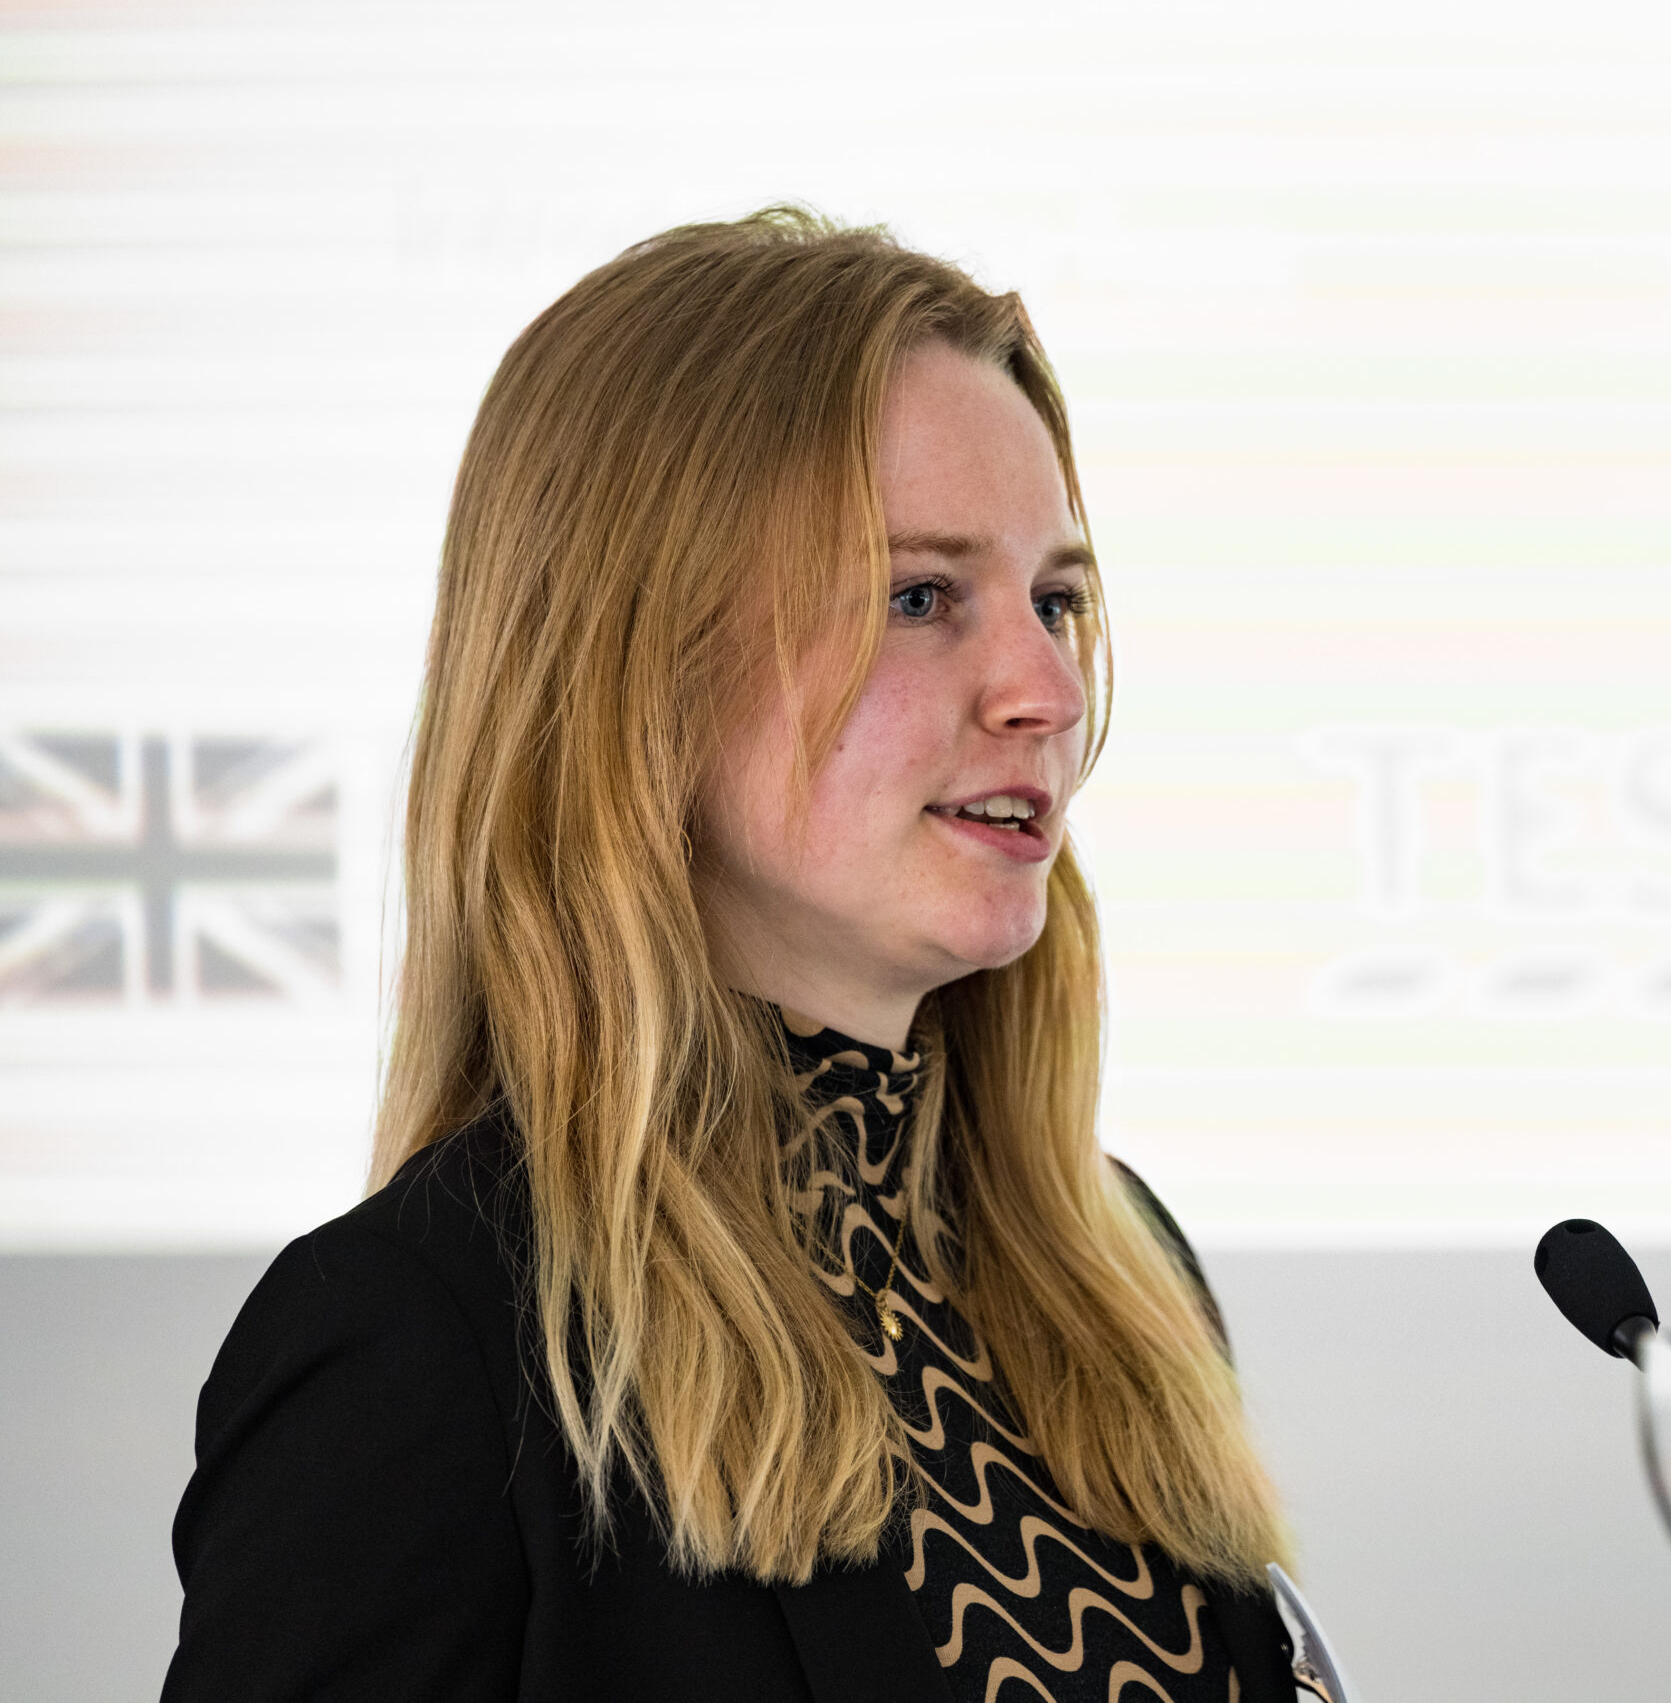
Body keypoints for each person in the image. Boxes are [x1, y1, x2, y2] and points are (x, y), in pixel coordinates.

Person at [161, 207, 1301, 1703]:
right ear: (637, 667)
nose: (1044, 688)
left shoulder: (1118, 1267)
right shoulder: (423, 1350)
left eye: (1058, 602)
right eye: (919, 597)